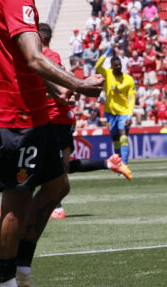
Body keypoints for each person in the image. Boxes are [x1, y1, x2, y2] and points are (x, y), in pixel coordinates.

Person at [0, 0, 103, 287]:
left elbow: (19, 58)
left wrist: (53, 89)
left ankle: (21, 272)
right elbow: (33, 56)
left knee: (57, 185)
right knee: (17, 196)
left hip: (32, 106)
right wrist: (77, 84)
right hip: (17, 111)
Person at [37, 24, 132, 219]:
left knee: (49, 165)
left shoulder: (46, 58)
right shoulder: (51, 57)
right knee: (64, 166)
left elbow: (56, 90)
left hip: (54, 117)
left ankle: (56, 207)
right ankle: (109, 163)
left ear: (38, 38)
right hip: (59, 117)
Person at [95, 45, 136, 164]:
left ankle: (125, 165)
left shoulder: (128, 79)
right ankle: (118, 163)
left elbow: (132, 99)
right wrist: (106, 53)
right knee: (115, 139)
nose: (118, 67)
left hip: (123, 112)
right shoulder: (107, 74)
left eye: (120, 65)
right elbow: (97, 66)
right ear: (112, 66)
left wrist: (129, 115)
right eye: (116, 65)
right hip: (110, 112)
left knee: (123, 137)